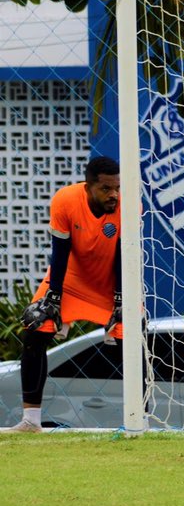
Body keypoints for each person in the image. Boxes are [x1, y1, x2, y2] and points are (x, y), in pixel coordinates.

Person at [4, 156, 123, 433]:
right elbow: (59, 252)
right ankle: (31, 421)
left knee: (131, 341)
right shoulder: (65, 200)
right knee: (34, 330)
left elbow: (122, 255)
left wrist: (121, 298)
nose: (114, 194)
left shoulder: (128, 205)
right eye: (106, 188)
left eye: (117, 187)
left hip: (110, 283)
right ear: (88, 187)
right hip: (71, 279)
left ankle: (139, 420)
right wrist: (54, 296)